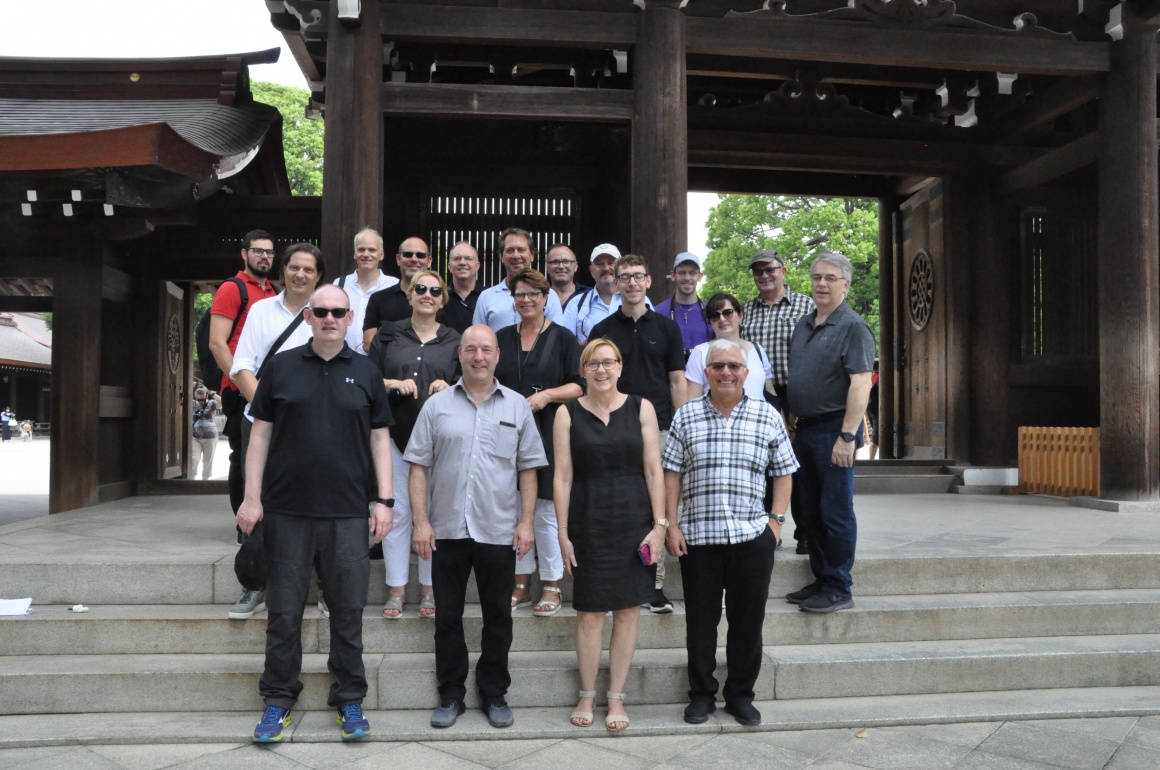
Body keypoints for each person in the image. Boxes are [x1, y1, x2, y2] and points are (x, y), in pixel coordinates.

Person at [237, 284, 394, 744]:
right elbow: (259, 437)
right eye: (321, 311)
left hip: (348, 513)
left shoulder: (366, 372)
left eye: (338, 313)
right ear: (308, 316)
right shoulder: (281, 368)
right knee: (283, 612)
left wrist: (384, 500)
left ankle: (349, 699)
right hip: (286, 510)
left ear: (349, 319)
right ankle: (278, 701)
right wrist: (252, 497)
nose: (329, 318)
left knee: (348, 612)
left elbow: (380, 439)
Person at [405, 324, 547, 730]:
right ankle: (451, 695)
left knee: (498, 617)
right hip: (446, 529)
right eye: (471, 350)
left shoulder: (517, 406)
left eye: (486, 350)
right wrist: (420, 522)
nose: (479, 357)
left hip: (499, 531)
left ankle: (494, 693)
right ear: (461, 355)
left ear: (497, 355)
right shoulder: (436, 406)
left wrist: (526, 524)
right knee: (447, 618)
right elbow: (418, 467)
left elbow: (528, 471)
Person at [663, 338, 798, 727]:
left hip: (751, 537)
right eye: (718, 366)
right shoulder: (686, 416)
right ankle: (701, 696)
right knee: (701, 624)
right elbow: (671, 473)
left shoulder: (767, 416)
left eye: (733, 366)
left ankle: (740, 695)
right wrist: (671, 524)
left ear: (746, 372)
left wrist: (775, 523)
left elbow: (784, 471)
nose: (726, 372)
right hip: (699, 538)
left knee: (747, 622)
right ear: (705, 373)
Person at [553, 338, 666, 732]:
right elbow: (563, 476)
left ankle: (616, 696)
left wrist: (660, 526)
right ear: (583, 370)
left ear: (620, 366)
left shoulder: (642, 407)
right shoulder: (567, 413)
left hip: (634, 521)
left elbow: (654, 471)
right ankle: (587, 693)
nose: (601, 370)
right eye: (593, 364)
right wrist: (563, 534)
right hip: (587, 521)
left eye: (608, 362)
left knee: (628, 612)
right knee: (588, 614)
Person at [227, 243, 325, 621]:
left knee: (316, 500)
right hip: (263, 422)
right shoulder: (260, 310)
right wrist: (270, 413)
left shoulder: (326, 310)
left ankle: (323, 585)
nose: (301, 275)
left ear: (318, 275)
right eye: (294, 267)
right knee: (257, 501)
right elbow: (243, 365)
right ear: (283, 270)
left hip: (313, 425)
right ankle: (254, 583)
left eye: (309, 269)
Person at [589, 253, 686, 613]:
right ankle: (612, 576)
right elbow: (593, 380)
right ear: (614, 282)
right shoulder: (602, 332)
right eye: (624, 276)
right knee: (615, 500)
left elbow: (677, 380)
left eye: (637, 276)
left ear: (648, 282)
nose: (631, 282)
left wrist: (677, 428)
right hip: (613, 427)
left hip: (658, 426)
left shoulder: (666, 328)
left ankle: (652, 584)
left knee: (653, 505)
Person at [368, 269, 460, 620]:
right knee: (397, 512)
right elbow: (367, 376)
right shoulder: (389, 333)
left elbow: (469, 379)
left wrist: (448, 387)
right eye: (420, 288)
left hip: (439, 440)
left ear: (442, 299)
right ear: (409, 294)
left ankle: (429, 589)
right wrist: (391, 382)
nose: (427, 294)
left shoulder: (455, 338)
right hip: (394, 435)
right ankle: (395, 589)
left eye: (435, 290)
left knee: (433, 514)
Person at [785, 252, 874, 614]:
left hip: (834, 432)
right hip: (804, 432)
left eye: (831, 278)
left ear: (846, 285)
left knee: (835, 512)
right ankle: (821, 579)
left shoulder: (854, 327)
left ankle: (838, 586)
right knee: (809, 513)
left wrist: (848, 437)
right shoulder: (804, 324)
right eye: (817, 277)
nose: (822, 284)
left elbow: (861, 383)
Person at [494, 269, 583, 617]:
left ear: (546, 298)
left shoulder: (563, 338)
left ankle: (551, 582)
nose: (526, 300)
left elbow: (580, 385)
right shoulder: (502, 337)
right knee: (514, 508)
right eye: (520, 294)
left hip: (548, 432)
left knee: (544, 510)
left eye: (533, 294)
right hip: (504, 432)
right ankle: (520, 579)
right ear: (512, 300)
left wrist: (547, 395)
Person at [740, 248, 815, 554]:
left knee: (800, 465)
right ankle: (771, 528)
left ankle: (806, 532)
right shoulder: (746, 310)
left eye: (770, 270)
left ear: (784, 271)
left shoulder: (804, 305)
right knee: (767, 465)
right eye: (759, 271)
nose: (765, 276)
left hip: (797, 391)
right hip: (761, 394)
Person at [208, 229, 279, 514]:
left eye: (269, 252)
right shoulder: (232, 288)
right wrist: (243, 384)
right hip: (240, 390)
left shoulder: (274, 291)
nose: (264, 256)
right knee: (243, 454)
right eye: (258, 251)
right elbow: (217, 343)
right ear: (244, 253)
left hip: (269, 386)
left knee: (268, 454)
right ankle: (242, 521)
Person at [684, 293, 773, 401]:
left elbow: (770, 392)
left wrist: (780, 417)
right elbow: (693, 399)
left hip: (760, 416)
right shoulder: (700, 352)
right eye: (715, 315)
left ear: (740, 316)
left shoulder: (757, 350)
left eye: (727, 313)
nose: (721, 319)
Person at [472, 228, 563, 331]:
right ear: (502, 257)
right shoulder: (486, 297)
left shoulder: (549, 295)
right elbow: (477, 337)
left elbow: (557, 337)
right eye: (510, 250)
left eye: (521, 250)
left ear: (532, 255)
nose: (516, 255)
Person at [561, 243, 644, 344]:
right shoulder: (576, 304)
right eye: (599, 264)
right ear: (591, 270)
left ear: (620, 267)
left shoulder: (639, 299)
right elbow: (565, 346)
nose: (605, 268)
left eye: (611, 263)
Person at [334, 227, 399, 354]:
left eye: (372, 250)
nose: (366, 254)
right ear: (354, 253)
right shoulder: (340, 284)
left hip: (380, 360)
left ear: (381, 255)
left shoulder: (394, 285)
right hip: (343, 358)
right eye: (361, 249)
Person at [362, 236, 433, 350]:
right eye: (408, 254)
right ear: (398, 259)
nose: (414, 259)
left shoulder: (438, 300)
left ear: (429, 261)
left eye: (420, 255)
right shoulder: (378, 299)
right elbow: (369, 344)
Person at [654, 252, 713, 359]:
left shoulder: (712, 312)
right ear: (673, 275)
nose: (687, 278)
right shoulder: (658, 313)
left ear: (700, 276)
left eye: (692, 273)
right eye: (681, 273)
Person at [442, 241, 481, 333]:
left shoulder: (488, 297)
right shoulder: (440, 297)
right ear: (449, 266)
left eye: (468, 258)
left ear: (477, 266)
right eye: (457, 259)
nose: (463, 262)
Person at [545, 243, 590, 311]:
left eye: (566, 262)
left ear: (575, 266)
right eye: (555, 262)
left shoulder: (590, 296)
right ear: (547, 267)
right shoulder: (539, 297)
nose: (561, 266)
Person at [190, 386, 221, 480]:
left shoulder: (211, 403)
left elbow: (222, 403)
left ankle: (205, 483)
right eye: (198, 399)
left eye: (202, 399)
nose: (200, 402)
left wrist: (212, 393)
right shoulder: (193, 403)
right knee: (193, 459)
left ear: (206, 396)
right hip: (195, 436)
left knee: (208, 461)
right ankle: (191, 482)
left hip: (210, 436)